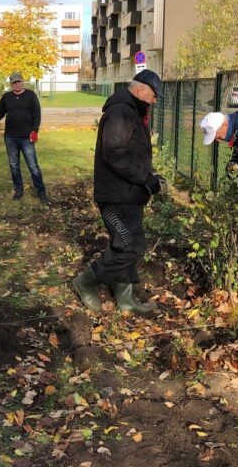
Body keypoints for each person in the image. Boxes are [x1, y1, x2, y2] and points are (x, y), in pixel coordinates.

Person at [72, 70, 167, 317]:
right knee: (127, 244)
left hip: (129, 194)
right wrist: (146, 179)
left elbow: (132, 153)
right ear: (140, 90)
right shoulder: (119, 113)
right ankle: (86, 282)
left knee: (133, 244)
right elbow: (115, 154)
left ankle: (125, 299)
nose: (155, 101)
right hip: (114, 197)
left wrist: (151, 178)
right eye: (153, 96)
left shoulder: (132, 111)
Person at [0, 72, 48, 203]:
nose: (17, 84)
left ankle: (41, 192)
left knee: (33, 165)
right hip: (10, 137)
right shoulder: (6, 97)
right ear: (11, 84)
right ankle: (18, 190)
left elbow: (37, 115)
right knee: (14, 165)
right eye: (14, 82)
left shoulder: (31, 95)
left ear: (23, 82)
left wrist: (35, 130)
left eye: (19, 81)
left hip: (26, 137)